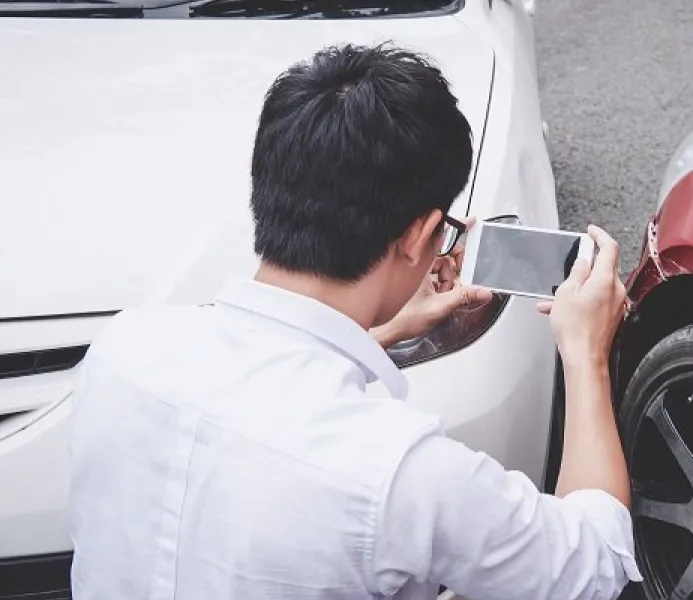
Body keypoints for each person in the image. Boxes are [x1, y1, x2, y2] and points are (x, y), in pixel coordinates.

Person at [68, 43, 641, 600]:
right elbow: (592, 565)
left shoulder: (124, 348)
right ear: (420, 235)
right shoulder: (399, 472)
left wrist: (378, 333)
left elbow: (257, 410)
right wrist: (585, 355)